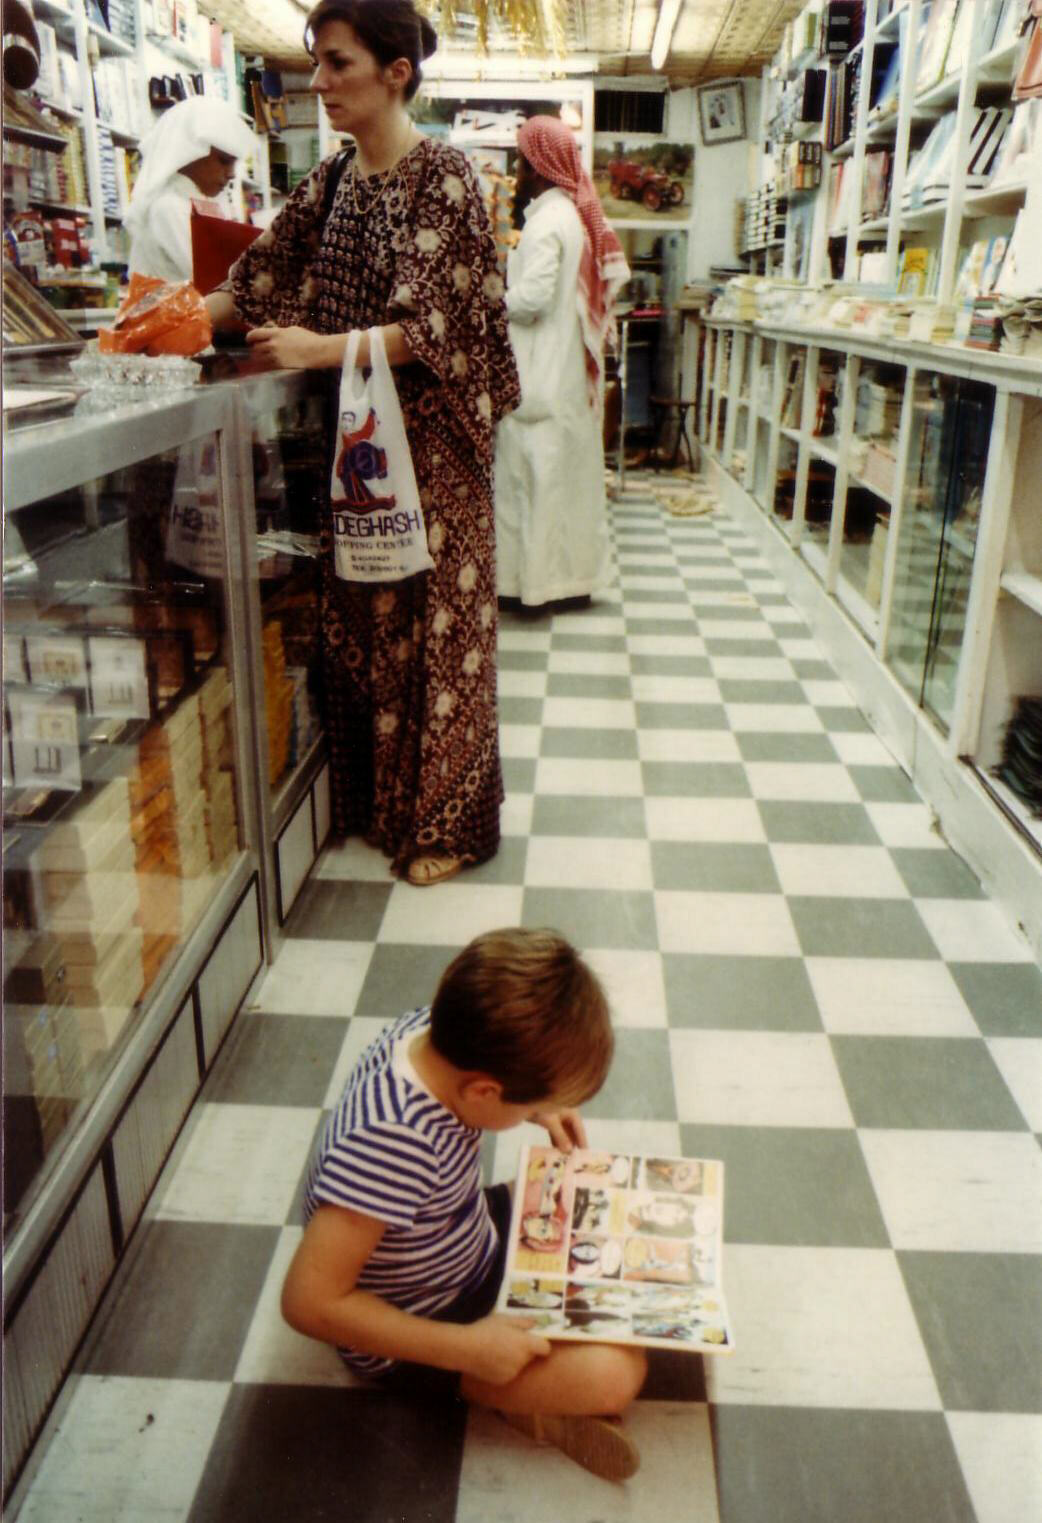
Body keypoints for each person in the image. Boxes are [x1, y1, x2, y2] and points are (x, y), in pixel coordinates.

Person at [206, 0, 520, 887]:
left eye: (338, 63)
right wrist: (172, 319)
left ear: (396, 73)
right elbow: (259, 273)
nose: (319, 83)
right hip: (363, 451)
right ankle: (382, 806)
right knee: (371, 622)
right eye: (317, 63)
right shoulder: (335, 178)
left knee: (442, 635)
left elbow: (429, 327)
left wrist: (314, 347)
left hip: (437, 447)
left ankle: (451, 824)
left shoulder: (444, 178)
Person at [281, 928, 647, 1482]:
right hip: (423, 1319)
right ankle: (509, 1398)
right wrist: (467, 1350)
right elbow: (307, 1302)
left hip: (463, 1233)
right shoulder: (391, 1141)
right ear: (483, 1091)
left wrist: (535, 1111)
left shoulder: (431, 1031)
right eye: (540, 1101)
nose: (551, 1112)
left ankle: (530, 1378)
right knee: (615, 1373)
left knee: (608, 1216)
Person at [494, 115, 629, 612]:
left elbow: (532, 297)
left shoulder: (548, 221)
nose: (517, 169)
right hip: (560, 374)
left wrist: (487, 303)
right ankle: (566, 582)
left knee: (528, 484)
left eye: (521, 159)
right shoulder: (566, 217)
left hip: (536, 374)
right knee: (562, 483)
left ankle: (531, 587)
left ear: (539, 164)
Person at [125, 97, 256, 282]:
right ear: (191, 154)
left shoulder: (198, 203)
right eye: (224, 162)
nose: (232, 174)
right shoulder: (169, 206)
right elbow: (214, 278)